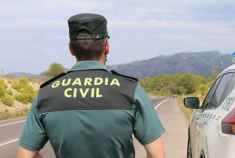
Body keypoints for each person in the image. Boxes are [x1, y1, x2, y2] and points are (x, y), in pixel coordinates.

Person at [17, 13, 165, 158]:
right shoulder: (130, 89)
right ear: (106, 47)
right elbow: (156, 154)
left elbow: (24, 154)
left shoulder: (47, 94)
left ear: (71, 49)